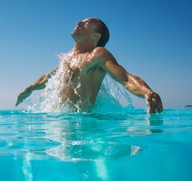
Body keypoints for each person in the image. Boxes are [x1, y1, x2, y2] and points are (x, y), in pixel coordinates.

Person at [16, 17, 163, 114]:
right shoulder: (67, 58)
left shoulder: (98, 55)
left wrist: (147, 92)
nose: (78, 23)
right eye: (80, 22)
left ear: (96, 36)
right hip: (60, 121)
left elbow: (126, 78)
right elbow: (48, 78)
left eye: (86, 24)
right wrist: (29, 88)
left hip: (86, 125)